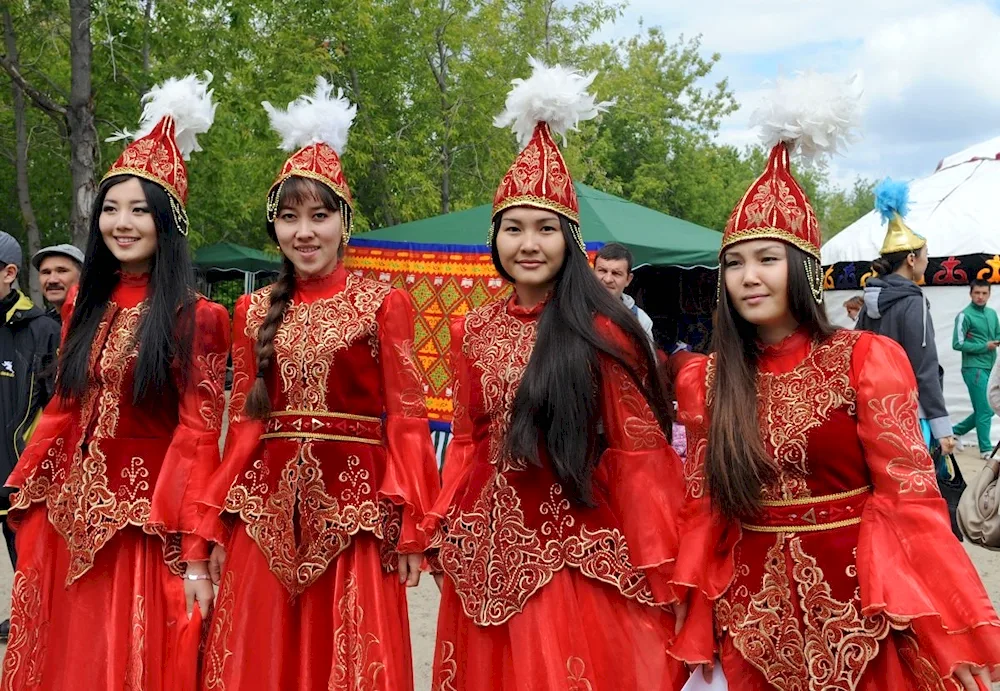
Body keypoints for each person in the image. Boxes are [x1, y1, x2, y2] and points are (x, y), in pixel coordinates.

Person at [670, 73, 1000, 691]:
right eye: (735, 263)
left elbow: (909, 500)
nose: (749, 276)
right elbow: (704, 506)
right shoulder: (708, 380)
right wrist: (692, 603)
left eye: (767, 259)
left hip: (862, 612)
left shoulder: (863, 360)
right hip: (751, 619)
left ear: (802, 270)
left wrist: (952, 620)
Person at [423, 59, 686, 691]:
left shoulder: (605, 329)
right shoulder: (474, 328)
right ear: (495, 238)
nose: (529, 243)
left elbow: (640, 455)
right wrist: (440, 522)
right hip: (485, 547)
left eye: (546, 228)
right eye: (513, 228)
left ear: (572, 241)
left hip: (575, 545)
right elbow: (466, 439)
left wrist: (665, 562)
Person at [196, 78, 440, 691]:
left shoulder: (385, 303)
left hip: (355, 515)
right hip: (266, 515)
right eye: (289, 217)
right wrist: (215, 518)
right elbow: (248, 423)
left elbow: (407, 419)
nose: (304, 232)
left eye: (319, 215)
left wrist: (412, 523)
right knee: (259, 657)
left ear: (344, 222)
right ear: (274, 227)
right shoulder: (251, 311)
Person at [1, 73, 228, 690]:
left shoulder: (199, 318)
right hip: (70, 514)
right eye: (110, 207)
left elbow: (199, 434)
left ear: (167, 222)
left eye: (139, 210)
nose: (121, 222)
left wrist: (194, 545)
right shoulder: (84, 303)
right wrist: (24, 483)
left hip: (143, 523)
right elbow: (65, 405)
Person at [855, 179, 958, 456]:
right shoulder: (913, 302)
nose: (928, 261)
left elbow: (855, 353)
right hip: (911, 414)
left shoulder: (868, 302)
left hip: (873, 411)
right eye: (926, 255)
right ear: (911, 259)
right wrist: (942, 427)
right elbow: (924, 367)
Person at [0, 232, 60, 643]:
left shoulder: (40, 329)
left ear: (9, 273)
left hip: (18, 479)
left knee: (31, 575)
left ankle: (38, 636)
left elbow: (62, 411)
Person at [952, 278, 1000, 457]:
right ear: (970, 293)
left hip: (991, 367)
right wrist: (984, 346)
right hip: (973, 367)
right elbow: (957, 343)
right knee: (986, 409)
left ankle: (955, 431)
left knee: (988, 408)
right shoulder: (964, 315)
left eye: (984, 293)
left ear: (989, 294)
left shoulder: (992, 314)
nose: (980, 297)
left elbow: (997, 335)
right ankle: (986, 449)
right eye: (977, 293)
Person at [594, 242, 655, 345]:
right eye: (602, 271)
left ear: (628, 279)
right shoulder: (573, 310)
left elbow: (647, 360)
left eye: (616, 273)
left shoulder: (640, 320)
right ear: (592, 273)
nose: (608, 279)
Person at [32, 243, 84, 322]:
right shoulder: (42, 326)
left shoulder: (98, 321)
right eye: (46, 272)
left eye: (62, 271)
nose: (52, 280)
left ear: (82, 276)